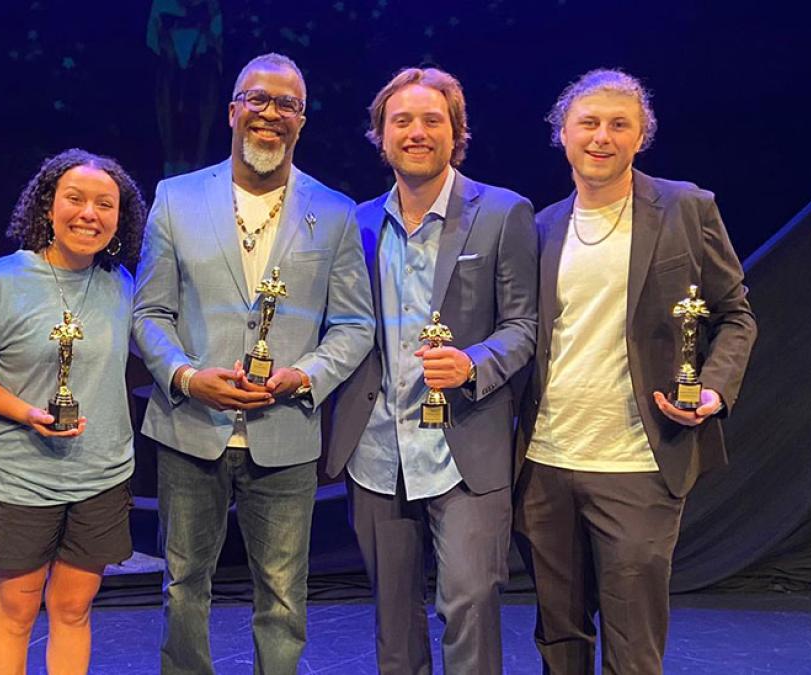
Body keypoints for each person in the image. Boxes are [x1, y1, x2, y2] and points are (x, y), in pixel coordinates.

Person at [133, 52, 375, 674]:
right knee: (184, 587)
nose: (271, 115)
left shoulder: (337, 212)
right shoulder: (176, 198)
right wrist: (187, 376)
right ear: (233, 109)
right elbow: (148, 315)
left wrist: (306, 377)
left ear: (303, 120)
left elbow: (354, 325)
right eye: (258, 100)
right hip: (191, 428)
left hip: (285, 433)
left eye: (287, 104)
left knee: (283, 597)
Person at [513, 68, 757, 674]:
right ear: (562, 134)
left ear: (641, 135)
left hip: (641, 461)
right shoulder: (539, 227)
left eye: (619, 124)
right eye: (588, 123)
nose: (602, 137)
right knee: (560, 637)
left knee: (634, 644)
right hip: (545, 461)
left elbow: (736, 315)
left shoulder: (686, 207)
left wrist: (715, 391)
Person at [326, 67, 538, 674]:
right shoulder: (356, 223)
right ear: (381, 135)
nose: (416, 132)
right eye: (402, 121)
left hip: (464, 445)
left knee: (469, 603)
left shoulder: (503, 213)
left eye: (431, 120)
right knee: (393, 621)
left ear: (455, 132)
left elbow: (524, 326)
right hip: (375, 448)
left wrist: (473, 362)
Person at [0, 149, 147, 675]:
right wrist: (25, 412)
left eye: (105, 204)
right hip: (18, 478)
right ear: (48, 207)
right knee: (15, 612)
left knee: (73, 609)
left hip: (101, 476)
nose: (90, 213)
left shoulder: (123, 285)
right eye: (75, 199)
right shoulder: (0, 282)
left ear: (119, 218)